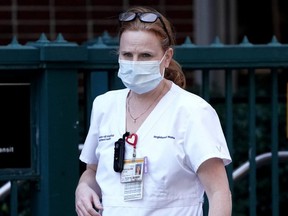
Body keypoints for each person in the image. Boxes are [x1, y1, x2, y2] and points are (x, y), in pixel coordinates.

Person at [75, 6, 232, 216]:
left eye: (146, 55)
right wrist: (83, 188)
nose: (135, 63)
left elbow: (219, 192)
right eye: (127, 54)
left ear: (166, 58)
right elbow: (92, 171)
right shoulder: (104, 105)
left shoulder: (193, 111)